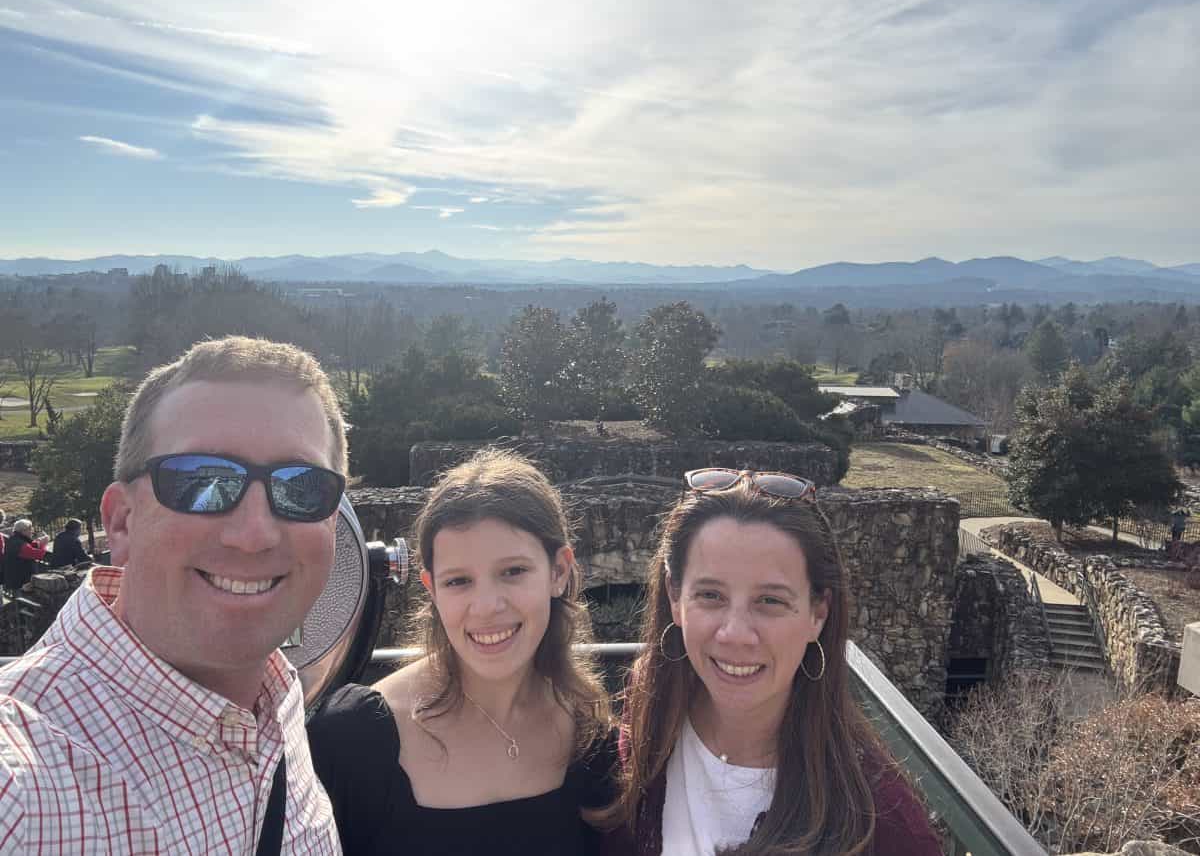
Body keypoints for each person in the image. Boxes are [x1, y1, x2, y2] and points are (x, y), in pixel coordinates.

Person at [0, 336, 345, 854]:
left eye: (302, 488)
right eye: (201, 481)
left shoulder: (278, 700)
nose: (254, 534)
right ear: (120, 522)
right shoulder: (24, 786)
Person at [602, 468, 941, 856]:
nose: (735, 633)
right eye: (710, 595)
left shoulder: (886, 828)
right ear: (675, 597)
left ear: (818, 613)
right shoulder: (651, 700)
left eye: (770, 601)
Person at [308, 449, 616, 855]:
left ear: (558, 571)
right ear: (430, 588)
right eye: (458, 582)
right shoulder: (351, 738)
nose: (486, 606)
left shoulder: (589, 734)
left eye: (513, 572)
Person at [2, 518, 49, 597]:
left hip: (16, 577)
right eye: (30, 529)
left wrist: (38, 543)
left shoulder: (14, 539)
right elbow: (38, 554)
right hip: (20, 580)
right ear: (23, 531)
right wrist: (44, 544)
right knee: (23, 601)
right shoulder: (19, 544)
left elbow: (28, 546)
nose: (32, 532)